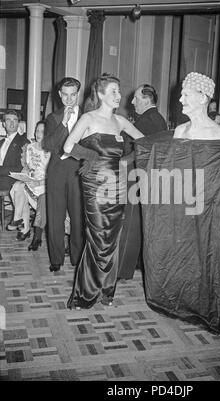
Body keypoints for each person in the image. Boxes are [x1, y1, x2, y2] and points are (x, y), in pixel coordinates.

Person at [63, 73, 144, 309]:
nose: (119, 96)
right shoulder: (88, 118)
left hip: (118, 186)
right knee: (98, 237)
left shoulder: (121, 121)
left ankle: (107, 291)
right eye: (114, 92)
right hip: (95, 185)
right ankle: (84, 293)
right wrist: (92, 156)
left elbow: (146, 143)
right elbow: (69, 146)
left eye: (119, 91)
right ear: (100, 94)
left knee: (113, 239)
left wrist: (126, 161)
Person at [118, 84, 168, 280]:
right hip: (145, 178)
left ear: (146, 100)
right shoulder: (155, 118)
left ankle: (123, 270)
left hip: (138, 178)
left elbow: (142, 148)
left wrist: (124, 160)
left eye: (136, 98)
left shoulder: (149, 120)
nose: (132, 101)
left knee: (131, 223)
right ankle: (136, 264)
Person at [43, 77, 84, 272]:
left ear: (78, 94)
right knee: (55, 218)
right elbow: (49, 145)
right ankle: (56, 260)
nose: (69, 99)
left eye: (73, 95)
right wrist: (64, 123)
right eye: (65, 95)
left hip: (78, 172)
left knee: (78, 219)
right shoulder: (53, 118)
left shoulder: (87, 116)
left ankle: (77, 259)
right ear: (60, 95)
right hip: (57, 172)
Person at [8, 121, 51, 246]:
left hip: (45, 185)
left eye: (42, 131)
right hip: (31, 182)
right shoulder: (30, 147)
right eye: (37, 130)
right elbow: (27, 167)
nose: (38, 134)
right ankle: (19, 221)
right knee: (16, 187)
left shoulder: (51, 150)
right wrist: (25, 176)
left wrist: (39, 181)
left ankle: (21, 223)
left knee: (18, 188)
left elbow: (54, 174)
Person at [173, 72, 220, 140]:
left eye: (186, 95)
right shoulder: (180, 131)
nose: (180, 99)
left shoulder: (218, 134)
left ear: (203, 99)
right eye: (182, 95)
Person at [0, 110, 29, 199]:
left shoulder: (24, 142)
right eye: (8, 120)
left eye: (15, 120)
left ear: (18, 123)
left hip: (10, 180)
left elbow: (20, 168)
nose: (12, 123)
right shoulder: (1, 142)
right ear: (4, 124)